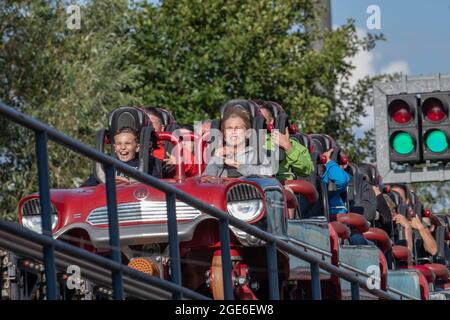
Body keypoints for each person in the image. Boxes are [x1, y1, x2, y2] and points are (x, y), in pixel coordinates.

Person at [204, 105, 273, 177]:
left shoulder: (256, 154)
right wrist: (216, 158)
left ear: (248, 133)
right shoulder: (219, 154)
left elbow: (269, 173)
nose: (233, 131)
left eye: (238, 128)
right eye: (229, 128)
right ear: (224, 136)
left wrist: (238, 165)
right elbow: (206, 180)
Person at [81, 127, 161, 187]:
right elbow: (89, 185)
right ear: (115, 147)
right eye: (119, 144)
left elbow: (156, 183)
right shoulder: (106, 163)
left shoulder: (147, 161)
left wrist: (128, 182)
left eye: (127, 143)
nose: (123, 147)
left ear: (137, 147)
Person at [259, 104, 314, 180]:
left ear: (271, 121)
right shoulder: (241, 140)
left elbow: (307, 170)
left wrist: (288, 147)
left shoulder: (289, 142)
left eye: (261, 118)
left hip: (281, 186)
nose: (257, 122)